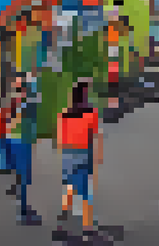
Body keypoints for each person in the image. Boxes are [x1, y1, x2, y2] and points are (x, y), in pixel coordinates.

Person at [57, 79, 103, 235]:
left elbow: (60, 139)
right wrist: (98, 156)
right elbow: (96, 136)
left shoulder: (64, 114)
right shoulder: (91, 114)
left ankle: (65, 214)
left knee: (69, 184)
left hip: (67, 153)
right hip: (84, 152)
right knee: (85, 190)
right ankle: (87, 225)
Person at [6, 72, 41, 225]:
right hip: (20, 141)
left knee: (23, 176)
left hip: (17, 140)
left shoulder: (15, 100)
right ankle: (23, 212)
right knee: (24, 177)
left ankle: (24, 208)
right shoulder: (23, 103)